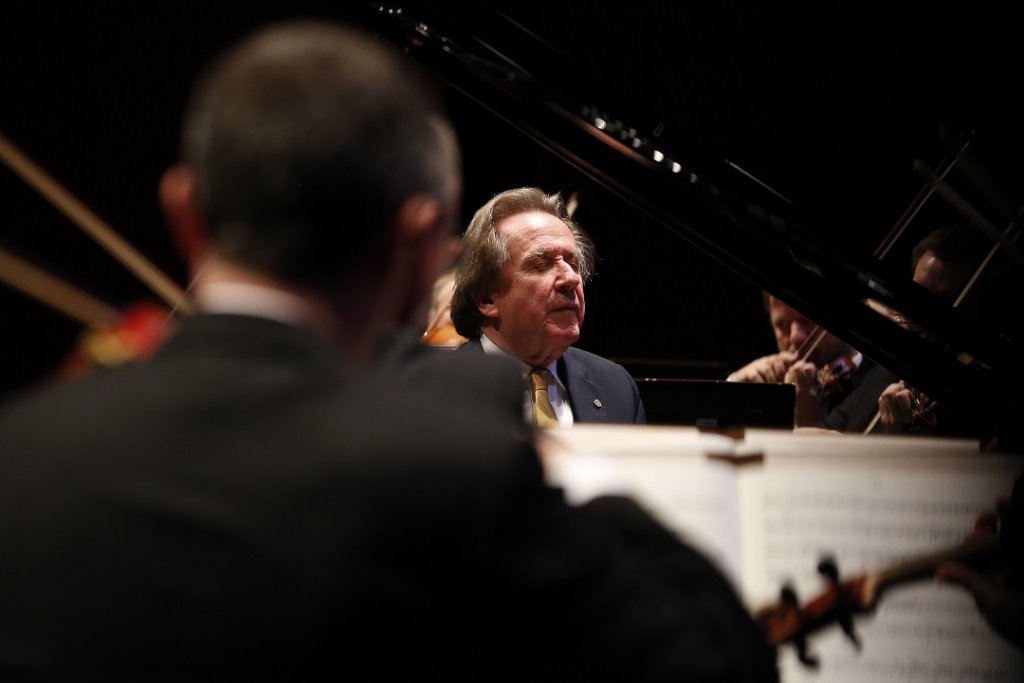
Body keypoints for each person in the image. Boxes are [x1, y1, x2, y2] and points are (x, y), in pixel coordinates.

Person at [0, 21, 778, 682]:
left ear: (185, 215)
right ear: (421, 253)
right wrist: (596, 487)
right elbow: (716, 662)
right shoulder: (458, 477)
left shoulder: (22, 452)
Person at [449, 187, 646, 426]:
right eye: (541, 264)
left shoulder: (616, 387)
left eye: (573, 264)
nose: (572, 278)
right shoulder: (432, 392)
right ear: (486, 299)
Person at [727, 293, 863, 427]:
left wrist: (808, 421)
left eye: (808, 319)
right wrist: (734, 385)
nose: (795, 337)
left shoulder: (873, 383)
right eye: (782, 324)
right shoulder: (773, 379)